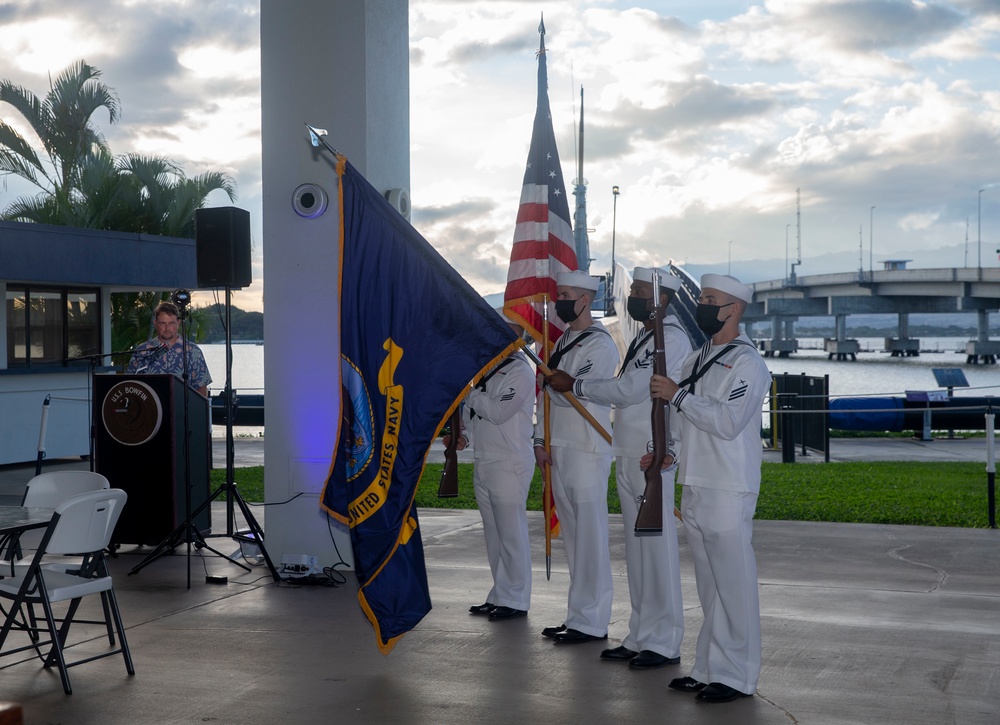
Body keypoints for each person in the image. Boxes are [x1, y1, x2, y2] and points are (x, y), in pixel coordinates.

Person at [547, 267, 692, 670]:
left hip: (652, 451)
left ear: (662, 298)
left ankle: (664, 641)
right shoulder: (648, 336)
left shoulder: (672, 339)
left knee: (657, 550)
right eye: (633, 291)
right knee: (637, 549)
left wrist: (576, 386)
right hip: (629, 450)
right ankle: (642, 633)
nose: (633, 297)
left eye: (640, 291)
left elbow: (630, 391)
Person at [648, 273, 770, 703]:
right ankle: (708, 667)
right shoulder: (700, 355)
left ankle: (738, 676)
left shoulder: (748, 362)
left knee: (734, 585)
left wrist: (677, 395)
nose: (702, 304)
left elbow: (726, 421)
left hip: (727, 484)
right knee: (710, 585)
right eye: (701, 297)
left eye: (710, 299)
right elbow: (685, 422)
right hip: (695, 480)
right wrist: (668, 452)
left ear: (733, 308)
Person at [536, 270, 620, 645]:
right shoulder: (564, 340)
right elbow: (546, 396)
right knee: (572, 536)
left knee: (590, 537)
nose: (559, 301)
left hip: (587, 448)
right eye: (559, 294)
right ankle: (577, 616)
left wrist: (555, 382)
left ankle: (594, 621)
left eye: (566, 294)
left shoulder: (600, 344)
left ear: (585, 300)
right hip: (560, 448)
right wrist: (539, 440)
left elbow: (573, 391)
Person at [452, 347, 537, 621]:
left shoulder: (520, 371)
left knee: (512, 535)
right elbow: (474, 415)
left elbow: (499, 411)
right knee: (494, 535)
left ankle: (516, 599)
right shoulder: (487, 371)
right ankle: (500, 593)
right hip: (485, 459)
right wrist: (463, 437)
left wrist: (472, 393)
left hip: (508, 462)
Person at [126, 300, 212, 396]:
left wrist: (195, 409)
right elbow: (131, 384)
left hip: (182, 409)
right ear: (155, 323)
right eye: (163, 323)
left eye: (171, 323)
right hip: (151, 408)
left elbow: (201, 386)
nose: (167, 328)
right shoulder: (142, 351)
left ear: (178, 323)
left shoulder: (192, 351)